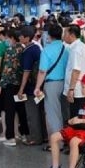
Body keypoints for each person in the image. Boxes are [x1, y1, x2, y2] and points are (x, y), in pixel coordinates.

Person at [33, 23, 70, 152]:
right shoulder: (66, 49)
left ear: (49, 35)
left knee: (53, 114)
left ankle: (56, 143)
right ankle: (66, 138)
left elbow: (42, 71)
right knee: (64, 112)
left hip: (51, 84)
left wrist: (37, 87)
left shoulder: (46, 50)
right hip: (65, 83)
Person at [0, 29, 29, 146]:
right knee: (21, 110)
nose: (6, 40)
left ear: (12, 38)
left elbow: (7, 70)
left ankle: (10, 137)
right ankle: (24, 134)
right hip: (21, 84)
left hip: (10, 85)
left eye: (8, 38)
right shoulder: (23, 48)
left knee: (9, 110)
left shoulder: (10, 50)